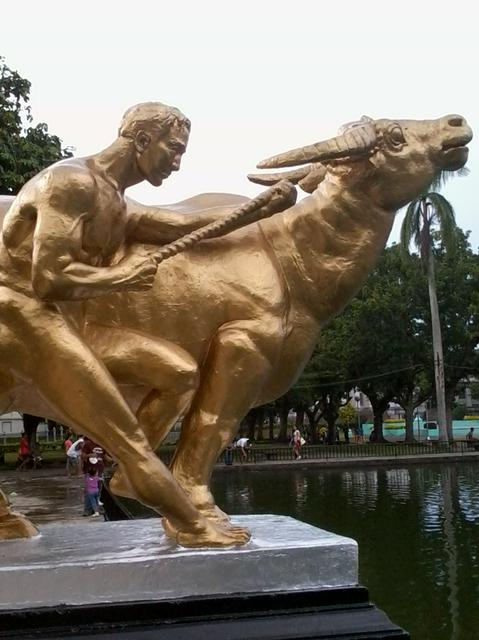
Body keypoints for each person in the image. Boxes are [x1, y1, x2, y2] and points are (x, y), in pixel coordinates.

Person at [0, 101, 283, 545]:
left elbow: (180, 225)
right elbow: (47, 278)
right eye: (174, 149)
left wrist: (262, 210)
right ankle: (188, 521)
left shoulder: (118, 203)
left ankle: (133, 475)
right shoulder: (71, 182)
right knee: (127, 436)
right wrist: (121, 277)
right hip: (22, 315)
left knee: (180, 373)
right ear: (143, 140)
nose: (177, 161)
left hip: (69, 325)